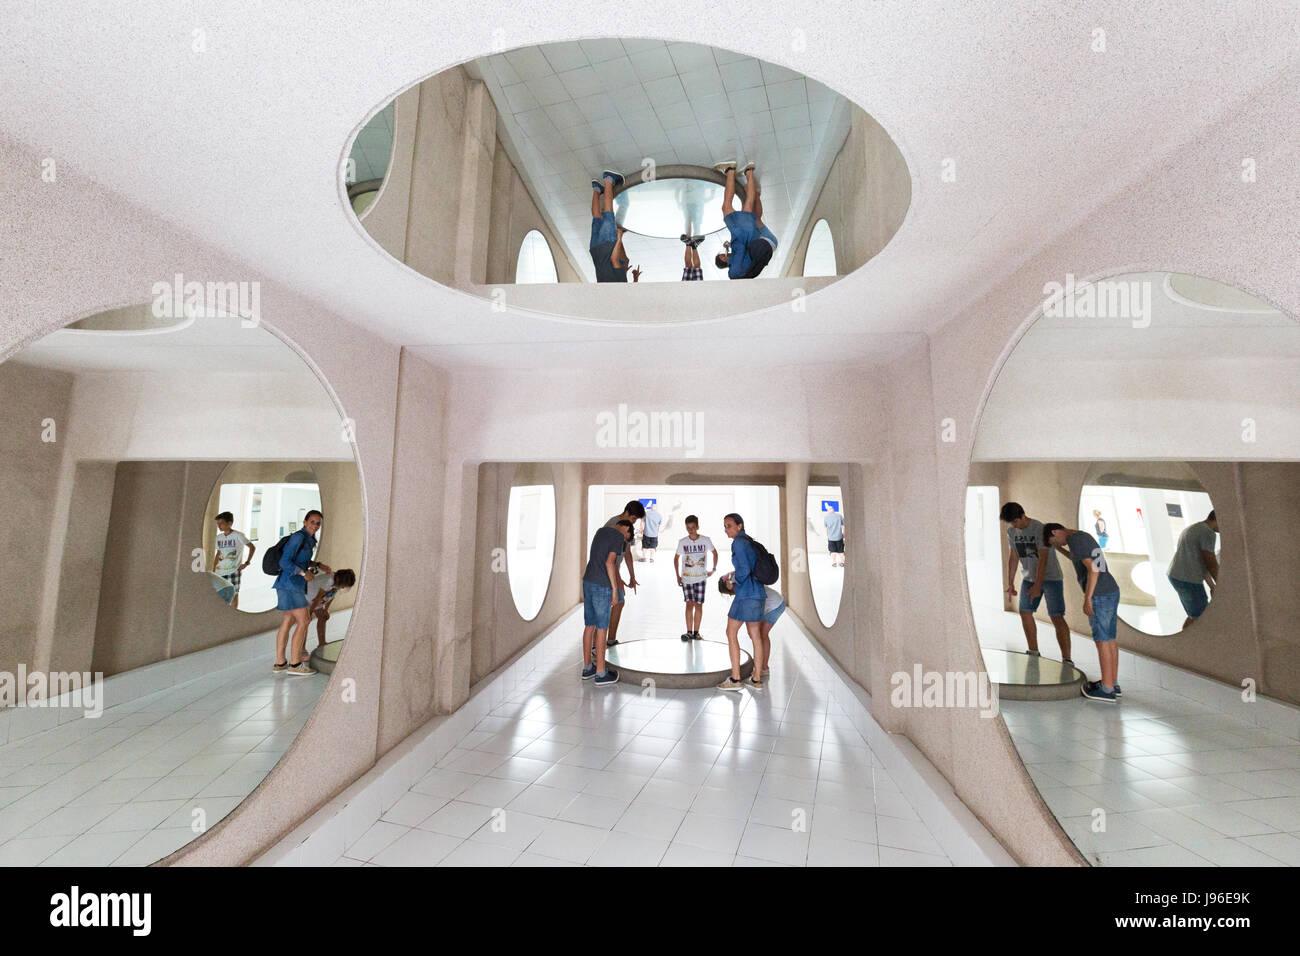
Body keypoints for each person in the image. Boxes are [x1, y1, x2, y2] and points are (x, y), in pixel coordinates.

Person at [1043, 522, 1122, 702]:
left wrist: (1088, 598)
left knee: (1101, 641)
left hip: (1099, 594)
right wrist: (1060, 549)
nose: (1059, 544)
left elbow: (1092, 569)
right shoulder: (1082, 536)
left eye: (1054, 540)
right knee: (1109, 639)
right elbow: (1080, 558)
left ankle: (1107, 689)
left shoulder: (1075, 540)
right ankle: (1112, 682)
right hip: (1111, 589)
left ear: (1055, 531)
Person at [999, 502, 1071, 664]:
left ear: (1023, 516)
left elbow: (1043, 560)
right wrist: (1010, 583)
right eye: (1011, 523)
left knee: (1056, 616)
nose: (1013, 525)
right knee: (1025, 612)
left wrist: (1038, 586)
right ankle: (1033, 651)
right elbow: (1014, 557)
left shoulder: (1039, 528)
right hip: (1029, 578)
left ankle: (1067, 658)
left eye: (1015, 521)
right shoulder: (1012, 531)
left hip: (1051, 578)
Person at [272, 510, 330, 676]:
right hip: (290, 584)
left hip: (288, 585)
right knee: (304, 620)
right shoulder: (298, 537)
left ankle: (280, 662)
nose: (315, 525)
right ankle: (295, 664)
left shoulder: (309, 539)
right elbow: (284, 561)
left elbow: (301, 559)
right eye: (312, 522)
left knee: (288, 620)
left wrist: (317, 565)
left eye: (318, 523)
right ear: (305, 522)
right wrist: (304, 573)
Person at [580, 519, 634, 686]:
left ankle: (588, 667)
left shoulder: (601, 530)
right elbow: (610, 563)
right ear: (626, 530)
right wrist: (614, 589)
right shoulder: (618, 537)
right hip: (602, 585)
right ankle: (601, 673)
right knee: (602, 628)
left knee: (590, 626)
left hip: (588, 580)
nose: (625, 540)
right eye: (628, 537)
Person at [718, 512, 765, 691]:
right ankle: (756, 679)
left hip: (746, 594)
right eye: (724, 526)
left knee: (730, 632)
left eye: (729, 525)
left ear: (739, 526)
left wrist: (732, 581)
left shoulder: (738, 542)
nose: (726, 529)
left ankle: (736, 679)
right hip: (759, 593)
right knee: (755, 635)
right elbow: (749, 567)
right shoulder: (749, 541)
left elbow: (744, 570)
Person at [713, 162, 778, 279]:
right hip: (745, 235)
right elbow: (740, 249)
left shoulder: (740, 267)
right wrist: (736, 233)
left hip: (760, 241)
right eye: (722, 254)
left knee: (748, 207)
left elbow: (741, 253)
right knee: (727, 206)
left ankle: (749, 173)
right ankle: (730, 170)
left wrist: (729, 246)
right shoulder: (734, 271)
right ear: (722, 258)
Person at [718, 574, 783, 683]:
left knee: (760, 634)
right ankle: (761, 669)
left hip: (774, 605)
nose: (731, 594)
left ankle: (762, 669)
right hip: (775, 602)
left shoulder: (738, 581)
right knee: (758, 635)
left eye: (729, 592)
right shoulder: (740, 579)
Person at [602, 500, 646, 646]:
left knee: (619, 603)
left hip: (614, 571)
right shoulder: (613, 525)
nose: (633, 522)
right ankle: (598, 644)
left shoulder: (628, 527)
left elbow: (627, 553)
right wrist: (618, 580)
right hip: (604, 571)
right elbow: (608, 558)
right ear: (627, 513)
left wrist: (632, 576)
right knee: (607, 606)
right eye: (633, 518)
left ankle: (611, 640)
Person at [1168, 510, 1220, 630]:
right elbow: (1210, 561)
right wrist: (1221, 584)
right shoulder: (1208, 533)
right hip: (1187, 578)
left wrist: (1213, 586)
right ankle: (1185, 644)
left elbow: (1202, 563)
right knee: (1200, 616)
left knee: (1196, 613)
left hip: (1177, 575)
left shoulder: (1194, 528)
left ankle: (1183, 643)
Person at [589, 172, 640, 283]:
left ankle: (609, 179)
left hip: (607, 246)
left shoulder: (621, 283)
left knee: (608, 213)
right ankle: (596, 189)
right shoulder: (610, 288)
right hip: (595, 251)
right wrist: (635, 278)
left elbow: (614, 260)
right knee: (596, 218)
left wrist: (619, 239)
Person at [674, 514, 717, 642]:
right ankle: (688, 632)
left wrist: (713, 570)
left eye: (693, 527)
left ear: (697, 527)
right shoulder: (683, 542)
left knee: (698, 605)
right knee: (689, 604)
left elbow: (715, 553)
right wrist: (678, 576)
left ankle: (696, 632)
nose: (690, 530)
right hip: (687, 578)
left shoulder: (705, 540)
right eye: (688, 528)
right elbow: (675, 559)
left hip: (700, 578)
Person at [211, 511, 255, 610]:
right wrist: (213, 570)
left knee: (234, 594)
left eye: (221, 523)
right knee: (220, 595)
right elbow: (218, 554)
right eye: (217, 524)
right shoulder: (219, 538)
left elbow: (252, 547)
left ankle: (233, 615)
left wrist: (247, 563)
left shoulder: (238, 535)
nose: (219, 526)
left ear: (230, 523)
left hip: (233, 571)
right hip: (219, 571)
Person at [306, 568, 357, 649]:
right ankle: (301, 648)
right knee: (305, 622)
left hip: (316, 601)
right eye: (344, 585)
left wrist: (325, 610)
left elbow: (331, 596)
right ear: (343, 581)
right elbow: (317, 598)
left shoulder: (336, 582)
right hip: (308, 598)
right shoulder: (329, 580)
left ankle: (322, 643)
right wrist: (310, 613)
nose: (343, 587)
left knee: (323, 617)